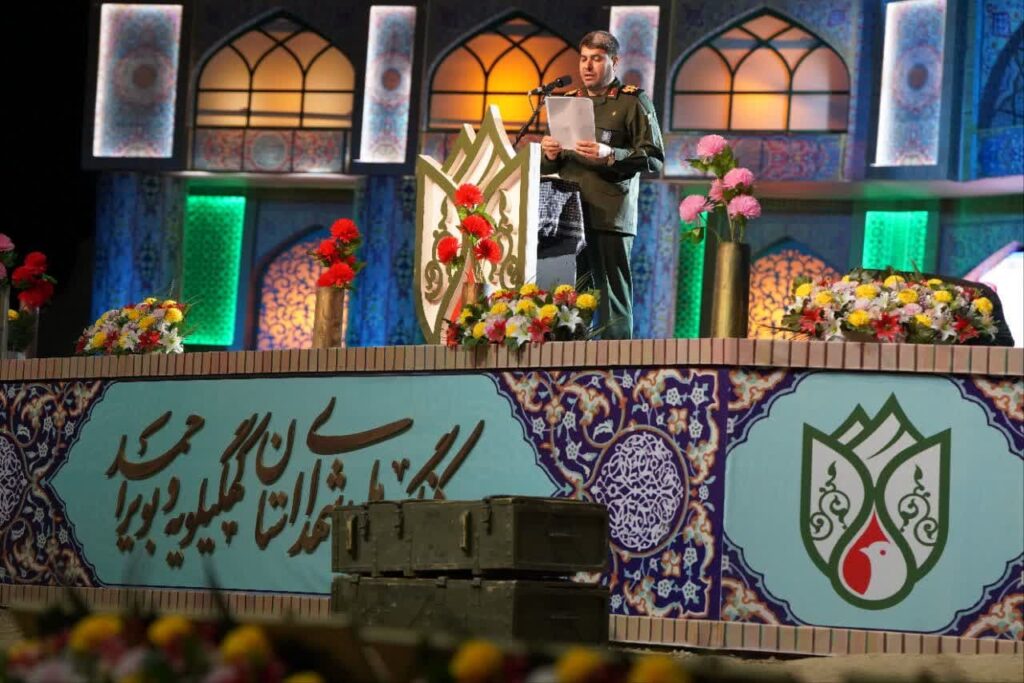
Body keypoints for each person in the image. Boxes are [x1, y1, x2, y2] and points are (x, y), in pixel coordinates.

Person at [540, 30, 664, 340]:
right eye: (583, 59)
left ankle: (615, 362)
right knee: (568, 296)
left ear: (614, 61)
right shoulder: (567, 102)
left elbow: (654, 158)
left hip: (609, 214)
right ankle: (566, 359)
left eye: (596, 59)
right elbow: (552, 166)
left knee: (611, 297)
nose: (587, 66)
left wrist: (611, 154)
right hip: (568, 215)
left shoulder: (632, 101)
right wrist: (549, 154)